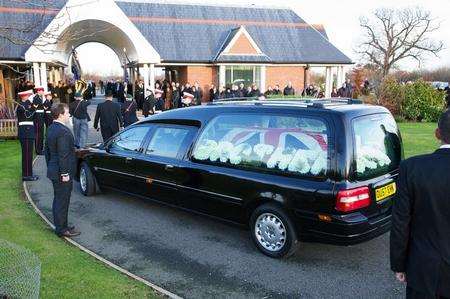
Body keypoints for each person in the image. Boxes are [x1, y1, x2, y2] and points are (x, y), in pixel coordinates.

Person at [390, 109, 450, 299]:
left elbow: (400, 222)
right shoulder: (411, 168)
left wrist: (399, 265)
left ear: (438, 133)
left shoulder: (412, 168)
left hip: (422, 269)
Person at [45, 103, 80, 238]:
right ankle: (62, 229)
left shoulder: (51, 128)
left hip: (54, 170)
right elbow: (63, 154)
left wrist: (51, 167)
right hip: (62, 173)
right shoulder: (63, 131)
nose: (68, 115)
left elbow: (47, 152)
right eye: (67, 113)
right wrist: (64, 173)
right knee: (62, 201)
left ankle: (61, 225)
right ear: (60, 114)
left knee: (59, 200)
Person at [17, 90, 39, 181]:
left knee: (29, 154)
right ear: (24, 97)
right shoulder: (22, 107)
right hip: (25, 132)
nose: (30, 97)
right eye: (28, 96)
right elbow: (28, 115)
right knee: (26, 155)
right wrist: (34, 108)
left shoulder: (26, 105)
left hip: (28, 132)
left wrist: (33, 107)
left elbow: (34, 117)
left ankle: (28, 173)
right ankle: (26, 175)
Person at [32, 86, 45, 155]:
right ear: (38, 91)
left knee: (41, 134)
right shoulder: (36, 98)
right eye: (41, 91)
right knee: (38, 134)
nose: (42, 92)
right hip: (37, 118)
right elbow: (34, 108)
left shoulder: (40, 98)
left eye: (43, 91)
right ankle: (38, 150)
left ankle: (41, 148)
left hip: (41, 117)